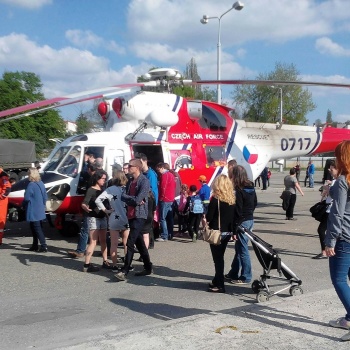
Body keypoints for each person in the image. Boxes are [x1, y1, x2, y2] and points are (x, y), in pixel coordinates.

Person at [325, 141, 350, 342]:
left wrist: (330, 240)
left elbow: (337, 214)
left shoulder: (343, 181)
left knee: (339, 279)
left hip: (344, 237)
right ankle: (349, 318)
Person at [115, 159, 153, 281]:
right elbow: (123, 196)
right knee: (139, 243)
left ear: (136, 167)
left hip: (140, 215)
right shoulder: (130, 181)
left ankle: (125, 270)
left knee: (130, 242)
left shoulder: (144, 181)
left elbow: (138, 200)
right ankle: (148, 267)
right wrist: (134, 199)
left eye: (130, 166)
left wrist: (133, 199)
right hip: (130, 214)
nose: (127, 168)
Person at [225, 165, 257, 284]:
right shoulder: (251, 187)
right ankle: (233, 272)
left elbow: (237, 211)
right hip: (249, 218)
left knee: (243, 250)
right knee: (239, 248)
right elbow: (255, 203)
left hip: (241, 221)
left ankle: (246, 276)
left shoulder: (239, 190)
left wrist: (233, 230)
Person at [206, 175, 236, 293]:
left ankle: (220, 285)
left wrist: (205, 219)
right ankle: (216, 280)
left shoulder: (216, 199)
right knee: (220, 257)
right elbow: (234, 218)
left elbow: (209, 217)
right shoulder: (232, 199)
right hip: (227, 232)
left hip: (217, 232)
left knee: (217, 259)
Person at [95, 170, 129, 271]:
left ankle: (114, 265)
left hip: (114, 217)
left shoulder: (110, 189)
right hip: (126, 218)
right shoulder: (127, 189)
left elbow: (98, 200)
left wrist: (106, 210)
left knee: (114, 243)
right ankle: (127, 264)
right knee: (126, 243)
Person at [82, 169, 109, 272]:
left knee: (103, 240)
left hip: (102, 217)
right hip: (93, 218)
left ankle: (105, 261)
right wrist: (85, 207)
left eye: (105, 179)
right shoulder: (91, 190)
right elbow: (84, 202)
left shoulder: (103, 189)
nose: (104, 181)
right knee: (93, 241)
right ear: (97, 178)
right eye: (103, 179)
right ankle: (86, 265)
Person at [68, 163, 97, 258]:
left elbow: (88, 196)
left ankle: (80, 250)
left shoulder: (91, 180)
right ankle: (108, 249)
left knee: (85, 229)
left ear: (89, 169)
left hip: (90, 208)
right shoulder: (102, 178)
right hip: (97, 208)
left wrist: (83, 207)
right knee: (101, 230)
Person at [313, 160, 338, 259]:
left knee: (321, 230)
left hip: (331, 210)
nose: (329, 170)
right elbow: (325, 195)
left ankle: (325, 251)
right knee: (325, 230)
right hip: (330, 209)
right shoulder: (334, 181)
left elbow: (335, 197)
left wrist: (328, 189)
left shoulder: (337, 182)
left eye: (332, 168)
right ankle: (327, 250)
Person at [23, 167, 48, 252]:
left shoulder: (31, 185)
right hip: (40, 208)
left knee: (36, 228)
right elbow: (45, 196)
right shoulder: (41, 183)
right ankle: (35, 245)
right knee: (37, 227)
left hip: (33, 209)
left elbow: (27, 198)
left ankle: (43, 246)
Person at [155, 162, 176, 241]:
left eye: (159, 169)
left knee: (162, 218)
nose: (158, 171)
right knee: (169, 218)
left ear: (162, 168)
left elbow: (163, 187)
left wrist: (161, 197)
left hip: (165, 199)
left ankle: (164, 235)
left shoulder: (164, 175)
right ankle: (170, 234)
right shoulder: (171, 175)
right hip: (171, 198)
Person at [0, 167, 11, 245]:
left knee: (1, 221)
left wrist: (1, 196)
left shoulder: (3, 175)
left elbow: (7, 189)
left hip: (1, 202)